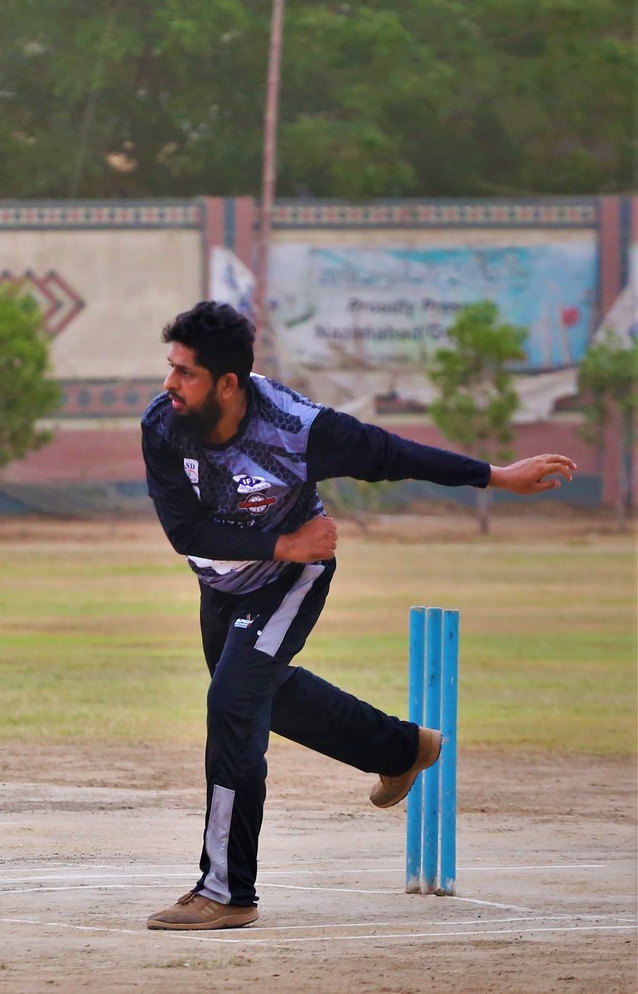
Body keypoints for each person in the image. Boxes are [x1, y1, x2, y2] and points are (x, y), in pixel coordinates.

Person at [139, 300, 575, 931]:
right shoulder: (164, 423)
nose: (169, 383)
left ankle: (227, 892)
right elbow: (185, 531)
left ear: (227, 384)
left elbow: (393, 454)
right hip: (228, 578)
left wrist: (496, 477)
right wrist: (284, 541)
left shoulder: (296, 427)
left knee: (233, 703)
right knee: (258, 692)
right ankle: (400, 747)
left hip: (291, 579)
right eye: (170, 366)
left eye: (185, 372)